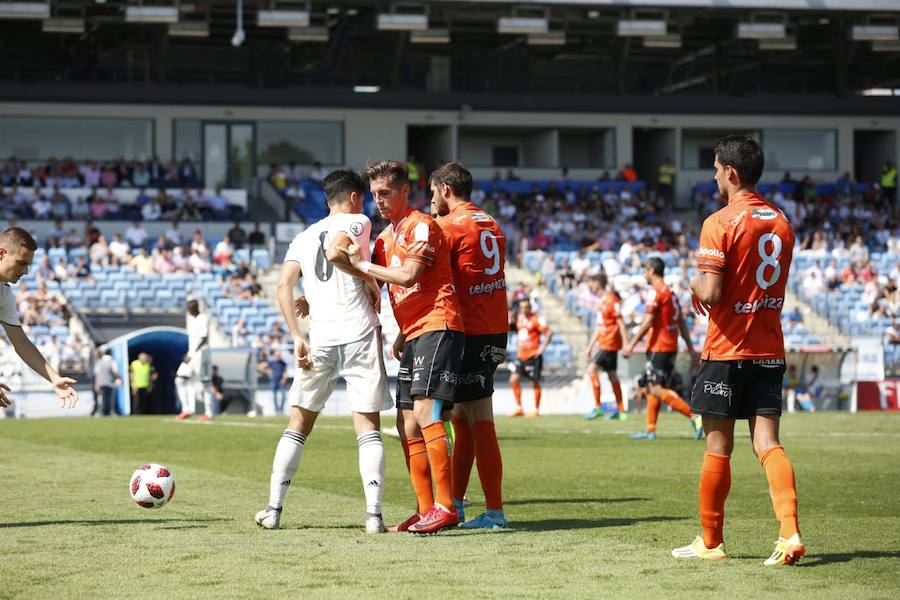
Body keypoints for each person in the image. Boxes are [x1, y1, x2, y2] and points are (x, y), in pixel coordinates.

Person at [672, 134, 803, 566]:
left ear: (731, 172)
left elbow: (709, 290)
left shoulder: (720, 221)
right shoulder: (782, 221)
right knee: (768, 443)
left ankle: (710, 543)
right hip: (769, 348)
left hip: (728, 351)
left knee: (717, 447)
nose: (713, 177)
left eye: (714, 170)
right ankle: (790, 534)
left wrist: (692, 282)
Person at [254, 169, 392, 534]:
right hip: (359, 333)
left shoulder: (302, 236)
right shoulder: (358, 220)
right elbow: (337, 253)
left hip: (320, 339)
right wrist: (370, 280)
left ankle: (273, 509)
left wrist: (297, 335)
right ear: (354, 198)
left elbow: (284, 285)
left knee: (298, 425)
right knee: (367, 427)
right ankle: (374, 516)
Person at [343, 160, 465, 534]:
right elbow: (372, 281)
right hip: (414, 333)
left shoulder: (421, 226)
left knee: (427, 413)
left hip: (438, 324)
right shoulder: (384, 238)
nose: (378, 201)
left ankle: (447, 506)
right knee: (406, 422)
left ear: (403, 192)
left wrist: (363, 265)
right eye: (375, 194)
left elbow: (409, 275)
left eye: (385, 193)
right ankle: (425, 507)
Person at [430, 161, 509, 529]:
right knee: (462, 418)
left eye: (432, 192)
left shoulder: (448, 227)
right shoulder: (490, 222)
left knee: (479, 418)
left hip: (472, 330)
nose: (431, 200)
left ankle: (494, 512)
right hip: (494, 327)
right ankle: (458, 504)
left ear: (446, 189)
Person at [0, 227, 79, 411]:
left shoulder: (4, 295)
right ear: (1, 253)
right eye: (21, 263)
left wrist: (54, 377)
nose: (25, 271)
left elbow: (21, 342)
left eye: (28, 265)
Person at [623, 257, 701, 440]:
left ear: (651, 271)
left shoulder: (656, 292)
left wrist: (631, 344)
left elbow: (648, 321)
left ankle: (694, 415)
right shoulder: (671, 294)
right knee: (653, 386)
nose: (644, 274)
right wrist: (690, 348)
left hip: (659, 346)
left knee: (656, 388)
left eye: (645, 271)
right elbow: (681, 322)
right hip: (670, 346)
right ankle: (650, 430)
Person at [584, 273, 629, 421]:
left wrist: (626, 344)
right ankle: (621, 411)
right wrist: (590, 346)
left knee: (591, 369)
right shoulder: (601, 301)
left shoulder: (611, 299)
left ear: (598, 283)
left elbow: (620, 323)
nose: (589, 286)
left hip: (609, 342)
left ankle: (598, 407)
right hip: (603, 342)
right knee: (612, 375)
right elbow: (599, 326)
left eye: (591, 282)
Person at [508, 301, 552, 418]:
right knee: (513, 379)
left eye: (526, 307)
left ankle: (536, 409)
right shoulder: (520, 319)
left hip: (533, 357)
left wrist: (542, 348)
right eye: (522, 307)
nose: (524, 309)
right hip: (521, 356)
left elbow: (549, 333)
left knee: (534, 382)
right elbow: (515, 330)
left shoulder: (536, 319)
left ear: (530, 308)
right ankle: (519, 408)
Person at [176, 299, 212, 420]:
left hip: (200, 354)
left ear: (194, 308)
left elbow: (203, 337)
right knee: (180, 379)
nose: (188, 311)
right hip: (193, 354)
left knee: (204, 382)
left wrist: (191, 354)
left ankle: (209, 412)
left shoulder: (203, 318)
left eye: (189, 308)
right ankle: (186, 409)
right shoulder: (193, 320)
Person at [93, 349, 122, 416]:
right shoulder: (112, 362)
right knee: (111, 399)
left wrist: (96, 384)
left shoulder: (99, 362)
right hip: (110, 383)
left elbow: (97, 374)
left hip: (101, 383)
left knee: (102, 399)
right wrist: (119, 378)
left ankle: (101, 412)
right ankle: (112, 412)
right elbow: (115, 372)